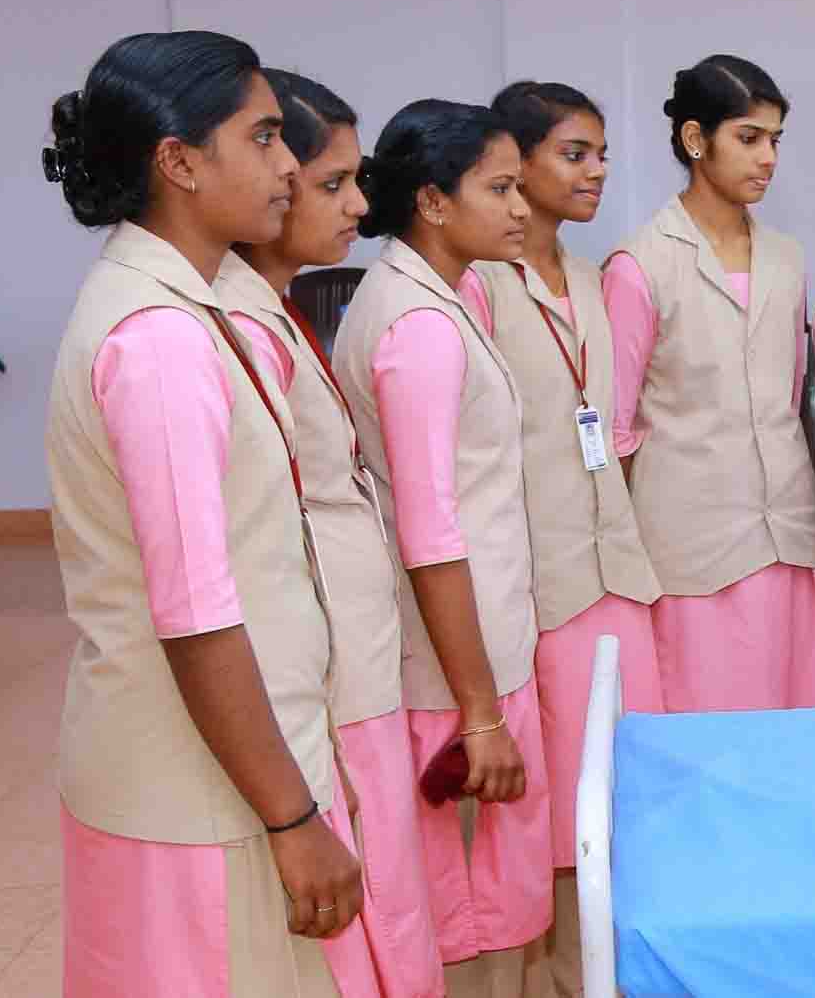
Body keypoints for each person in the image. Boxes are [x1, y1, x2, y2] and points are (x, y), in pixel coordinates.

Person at [41, 31, 364, 993]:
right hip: (203, 794)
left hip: (218, 769)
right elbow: (196, 615)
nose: (288, 164)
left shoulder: (188, 307)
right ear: (178, 162)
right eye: (263, 137)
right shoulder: (159, 342)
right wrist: (291, 817)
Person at [221, 69, 444, 997]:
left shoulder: (279, 311)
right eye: (332, 183)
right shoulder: (233, 327)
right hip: (319, 686)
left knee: (391, 904)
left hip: (355, 666)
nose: (358, 205)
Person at [332, 99, 551, 993]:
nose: (521, 207)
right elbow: (430, 535)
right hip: (453, 672)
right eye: (499, 189)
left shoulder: (442, 297)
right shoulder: (417, 326)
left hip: (473, 650)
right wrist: (480, 714)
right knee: (468, 902)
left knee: (487, 895)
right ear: (431, 200)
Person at [457, 80, 666, 993]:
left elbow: (611, 424)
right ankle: (549, 972)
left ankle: (603, 967)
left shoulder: (593, 278)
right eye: (573, 154)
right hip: (536, 577)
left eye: (601, 154)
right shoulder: (477, 285)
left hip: (614, 564)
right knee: (549, 802)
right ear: (516, 163)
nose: (596, 171)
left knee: (621, 782)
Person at [606, 55, 815, 712]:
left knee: (797, 728)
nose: (768, 158)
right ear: (695, 139)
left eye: (775, 140)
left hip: (789, 535)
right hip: (692, 551)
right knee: (709, 730)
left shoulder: (787, 258)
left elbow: (789, 398)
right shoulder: (639, 265)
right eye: (749, 137)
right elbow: (617, 431)